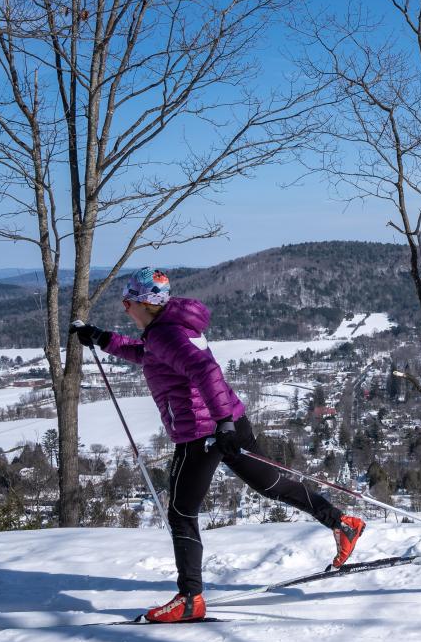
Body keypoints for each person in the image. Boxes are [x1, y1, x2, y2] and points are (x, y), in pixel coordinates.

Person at [72, 267, 367, 623]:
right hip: (227, 422)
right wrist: (103, 339)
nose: (125, 310)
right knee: (269, 483)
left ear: (144, 303)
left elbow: (205, 371)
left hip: (202, 431)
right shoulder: (168, 329)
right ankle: (341, 523)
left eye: (127, 302)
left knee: (181, 514)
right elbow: (150, 354)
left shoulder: (165, 334)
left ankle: (189, 599)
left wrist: (221, 424)